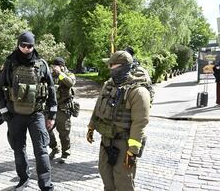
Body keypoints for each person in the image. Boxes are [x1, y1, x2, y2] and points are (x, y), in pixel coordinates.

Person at [0, 31, 57, 191]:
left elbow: (51, 90)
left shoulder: (42, 64)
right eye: (23, 45)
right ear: (18, 45)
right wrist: (4, 112)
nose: (26, 49)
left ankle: (46, 185)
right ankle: (23, 180)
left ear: (33, 46)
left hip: (36, 114)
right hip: (14, 115)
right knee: (18, 149)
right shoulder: (9, 63)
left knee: (41, 150)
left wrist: (52, 115)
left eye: (30, 46)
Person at [86, 50, 151, 191]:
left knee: (123, 183)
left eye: (112, 65)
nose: (109, 68)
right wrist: (91, 127)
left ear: (123, 67)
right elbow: (98, 107)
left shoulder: (138, 92)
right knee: (106, 177)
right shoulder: (108, 85)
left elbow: (140, 123)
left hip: (124, 144)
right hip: (106, 140)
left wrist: (132, 151)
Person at [48, 57, 76, 162]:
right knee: (47, 129)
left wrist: (60, 73)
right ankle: (54, 148)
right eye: (53, 66)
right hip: (51, 108)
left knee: (64, 133)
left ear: (62, 67)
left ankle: (65, 152)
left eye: (56, 66)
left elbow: (70, 83)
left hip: (63, 109)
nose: (54, 69)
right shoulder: (50, 76)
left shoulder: (69, 75)